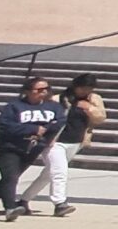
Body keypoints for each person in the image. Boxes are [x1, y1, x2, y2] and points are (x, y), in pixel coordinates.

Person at [0, 75, 68, 222]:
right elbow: (6, 126)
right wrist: (33, 129)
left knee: (9, 179)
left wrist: (45, 131)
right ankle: (10, 208)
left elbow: (59, 122)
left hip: (32, 149)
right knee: (10, 177)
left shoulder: (54, 107)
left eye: (47, 88)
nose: (44, 92)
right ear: (28, 91)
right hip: (9, 148)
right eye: (39, 89)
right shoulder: (14, 106)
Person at [16, 73, 104, 216]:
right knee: (60, 172)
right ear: (76, 86)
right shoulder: (58, 99)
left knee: (48, 174)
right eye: (83, 88)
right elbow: (47, 118)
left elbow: (100, 118)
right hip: (55, 142)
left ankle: (23, 200)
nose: (85, 91)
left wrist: (89, 109)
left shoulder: (94, 99)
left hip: (76, 141)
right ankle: (60, 203)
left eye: (89, 88)